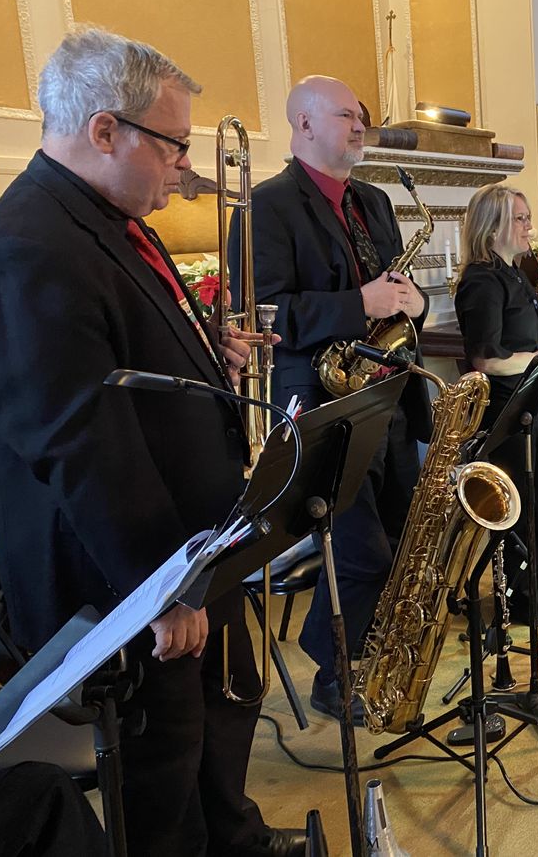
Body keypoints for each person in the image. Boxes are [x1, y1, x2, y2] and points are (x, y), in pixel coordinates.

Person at [0, 29, 302, 856]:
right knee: (161, 766)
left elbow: (118, 360)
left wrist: (199, 352)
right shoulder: (27, 249)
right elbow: (79, 443)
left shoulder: (97, 217)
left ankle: (233, 840)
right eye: (173, 145)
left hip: (179, 550)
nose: (184, 166)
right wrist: (163, 587)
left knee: (222, 712)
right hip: (121, 585)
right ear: (104, 130)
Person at [232, 75, 431, 722]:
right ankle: (333, 669)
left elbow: (398, 292)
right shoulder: (264, 208)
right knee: (362, 549)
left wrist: (410, 302)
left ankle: (376, 656)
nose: (360, 125)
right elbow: (268, 315)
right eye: (347, 114)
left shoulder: (374, 202)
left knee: (400, 538)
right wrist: (359, 304)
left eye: (363, 116)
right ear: (304, 124)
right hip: (323, 406)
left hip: (389, 392)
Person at [454, 184, 538, 620]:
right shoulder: (481, 280)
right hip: (506, 410)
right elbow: (485, 359)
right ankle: (522, 601)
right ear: (493, 226)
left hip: (531, 402)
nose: (529, 226)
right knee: (524, 505)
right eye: (519, 218)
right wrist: (537, 359)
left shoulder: (515, 272)